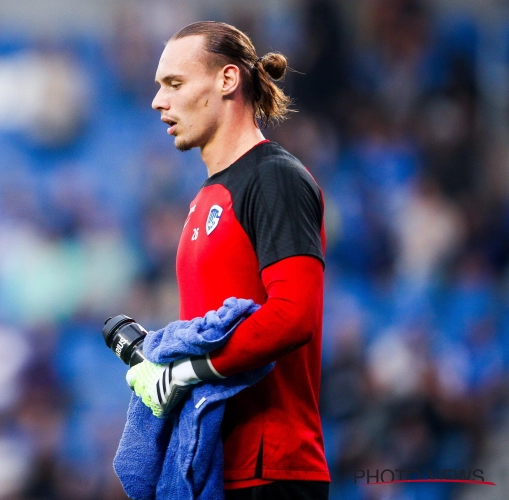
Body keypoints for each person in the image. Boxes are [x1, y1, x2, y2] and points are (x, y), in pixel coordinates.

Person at [125, 21, 330, 499]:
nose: (158, 100)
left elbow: (293, 315)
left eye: (174, 83)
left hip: (272, 468)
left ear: (227, 80)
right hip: (215, 463)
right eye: (159, 86)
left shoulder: (276, 178)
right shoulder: (204, 197)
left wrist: (186, 371)